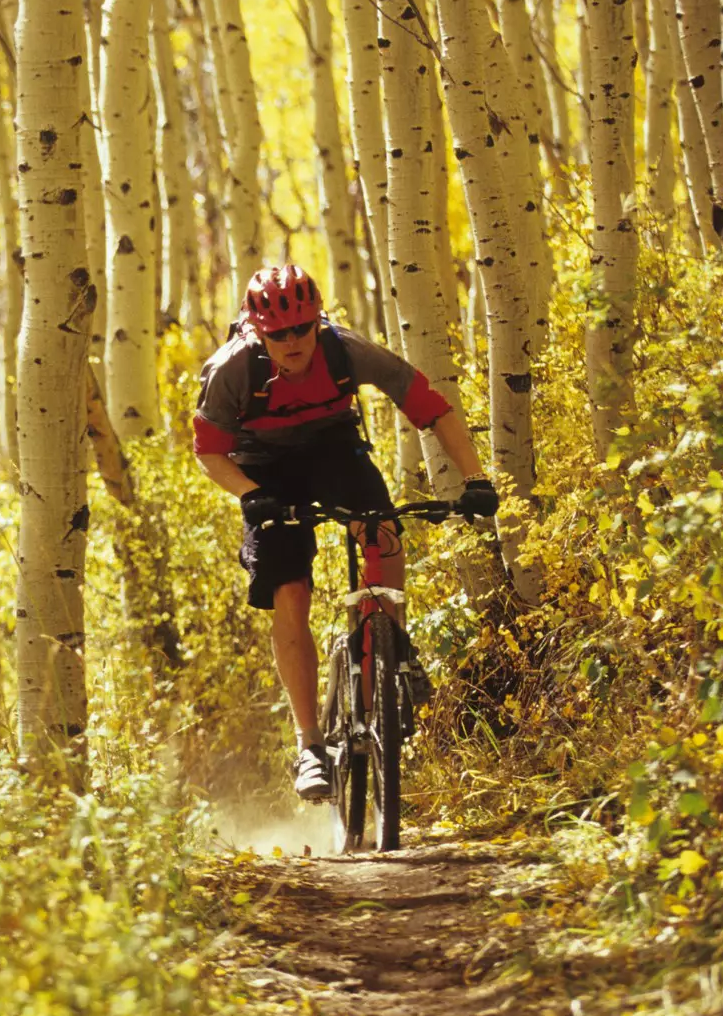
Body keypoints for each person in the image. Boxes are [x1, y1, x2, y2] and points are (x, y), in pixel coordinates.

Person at [191, 264, 498, 801]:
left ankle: (392, 645)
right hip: (262, 468)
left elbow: (432, 407)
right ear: (259, 330)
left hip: (333, 450)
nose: (292, 342)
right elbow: (209, 452)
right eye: (279, 333)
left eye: (302, 329)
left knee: (382, 530)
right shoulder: (232, 370)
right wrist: (249, 493)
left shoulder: (346, 350)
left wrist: (475, 478)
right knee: (290, 591)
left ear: (317, 322)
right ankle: (310, 745)